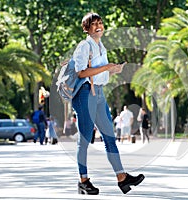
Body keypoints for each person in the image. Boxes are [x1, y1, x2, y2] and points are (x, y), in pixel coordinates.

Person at [71, 12, 144, 195]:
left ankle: (122, 177)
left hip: (99, 93)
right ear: (86, 28)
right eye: (94, 24)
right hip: (85, 94)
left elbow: (99, 74)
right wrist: (106, 67)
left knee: (109, 137)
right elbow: (81, 73)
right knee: (85, 139)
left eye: (100, 23)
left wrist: (113, 71)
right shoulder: (84, 46)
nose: (98, 26)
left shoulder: (101, 46)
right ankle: (83, 180)